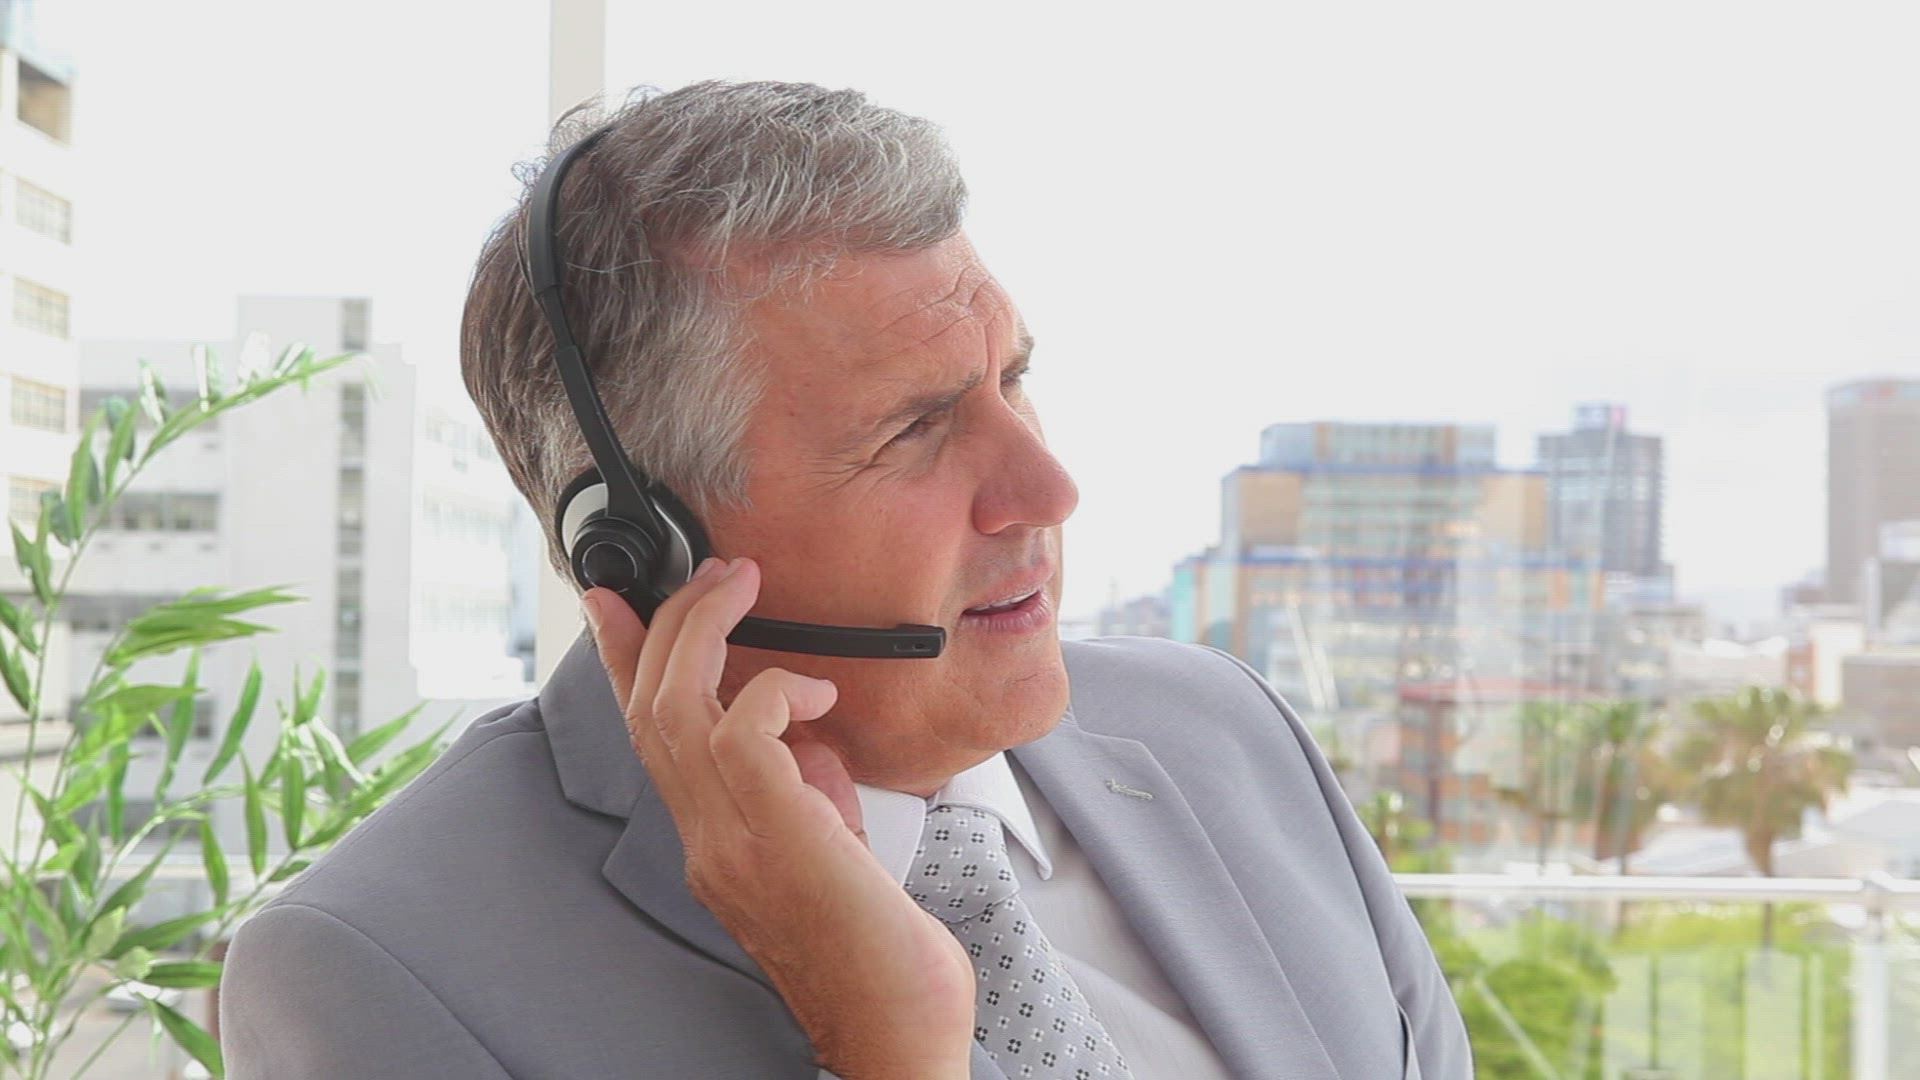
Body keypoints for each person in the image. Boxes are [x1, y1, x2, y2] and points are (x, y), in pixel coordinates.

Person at [219, 80, 1470, 1079]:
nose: (1047, 490)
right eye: (915, 428)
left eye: (1014, 380)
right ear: (643, 545)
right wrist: (890, 1054)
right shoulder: (376, 968)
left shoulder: (1228, 733)